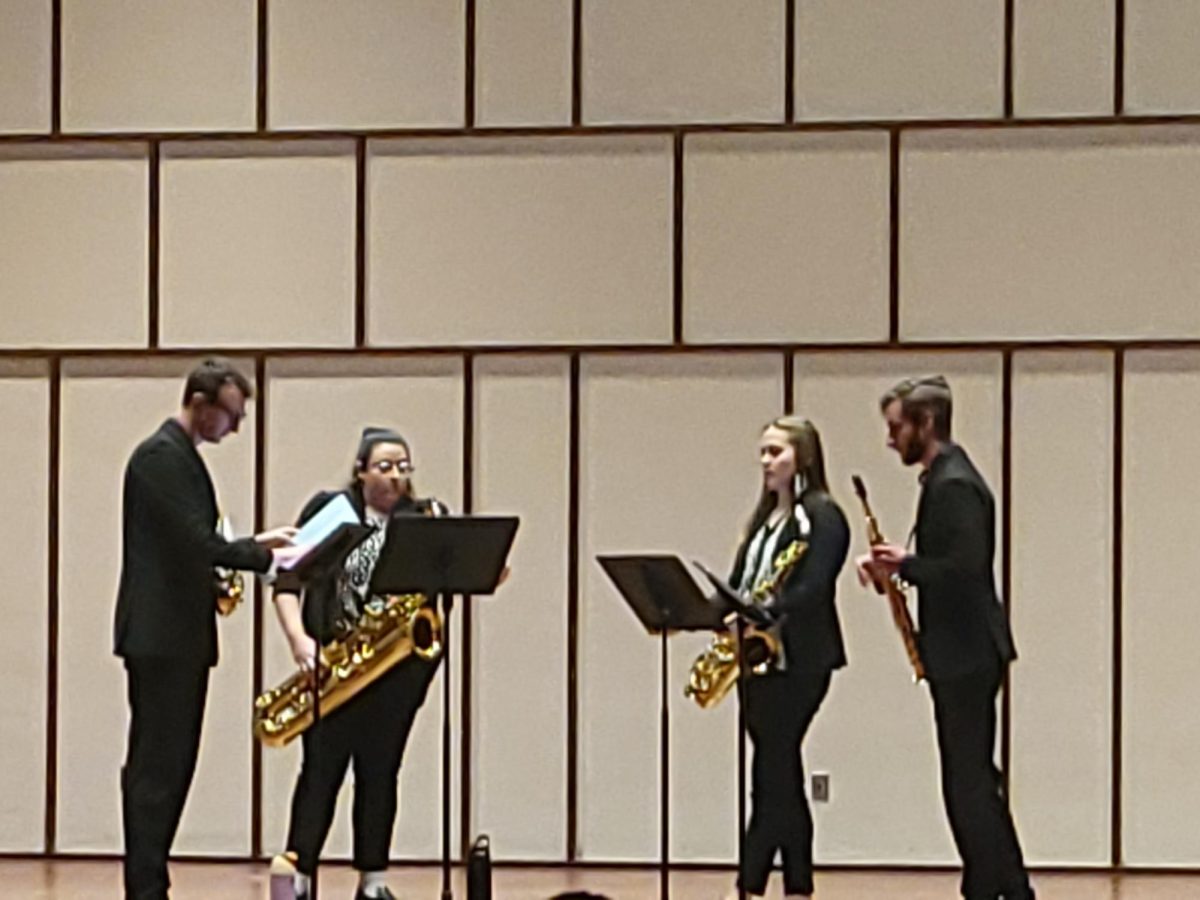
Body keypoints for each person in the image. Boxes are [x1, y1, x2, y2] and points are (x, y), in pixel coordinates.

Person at [114, 357, 296, 900]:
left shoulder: (179, 458)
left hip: (177, 637)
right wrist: (263, 557)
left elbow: (190, 542)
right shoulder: (160, 458)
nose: (235, 427)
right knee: (156, 772)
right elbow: (197, 542)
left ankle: (152, 880)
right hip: (161, 638)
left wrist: (255, 544)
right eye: (230, 415)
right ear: (199, 404)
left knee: (171, 767)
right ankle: (145, 887)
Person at [856, 375, 1034, 900]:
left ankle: (1011, 890)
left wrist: (906, 564)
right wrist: (899, 566)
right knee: (969, 782)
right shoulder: (944, 478)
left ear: (926, 423)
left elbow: (964, 568)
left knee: (970, 785)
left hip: (968, 653)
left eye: (896, 427)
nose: (891, 440)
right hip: (960, 652)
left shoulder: (954, 483)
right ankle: (987, 886)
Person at [270, 427, 444, 900]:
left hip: (398, 671)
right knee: (321, 770)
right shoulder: (332, 512)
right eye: (384, 466)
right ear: (361, 471)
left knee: (381, 770)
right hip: (336, 661)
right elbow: (287, 582)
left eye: (403, 467)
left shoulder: (423, 518)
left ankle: (373, 881)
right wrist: (300, 641)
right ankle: (299, 873)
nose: (395, 476)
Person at [726, 416, 849, 900]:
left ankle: (751, 883)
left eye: (776, 452)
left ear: (805, 457)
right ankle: (794, 884)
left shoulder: (822, 514)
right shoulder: (764, 521)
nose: (766, 462)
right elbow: (741, 581)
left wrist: (766, 612)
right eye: (762, 452)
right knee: (777, 770)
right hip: (756, 659)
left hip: (801, 658)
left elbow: (816, 585)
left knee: (772, 767)